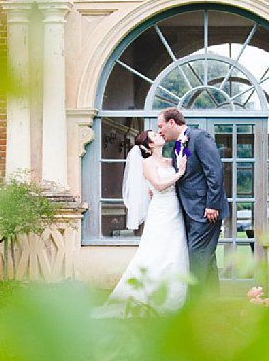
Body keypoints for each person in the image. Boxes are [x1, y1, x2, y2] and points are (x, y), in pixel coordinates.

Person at [93, 129, 190, 317]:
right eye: (154, 135)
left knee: (175, 250)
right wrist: (180, 174)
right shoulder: (147, 163)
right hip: (161, 212)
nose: (159, 135)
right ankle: (148, 297)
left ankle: (175, 298)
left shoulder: (170, 160)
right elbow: (160, 185)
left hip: (175, 210)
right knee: (156, 251)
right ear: (150, 145)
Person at [156, 107, 228, 299]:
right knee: (206, 257)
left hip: (205, 211)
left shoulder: (199, 137)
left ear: (172, 122)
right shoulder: (178, 145)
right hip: (189, 210)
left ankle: (194, 306)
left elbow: (215, 171)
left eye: (161, 126)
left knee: (196, 257)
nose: (160, 131)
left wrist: (212, 204)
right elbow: (183, 173)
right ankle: (212, 303)